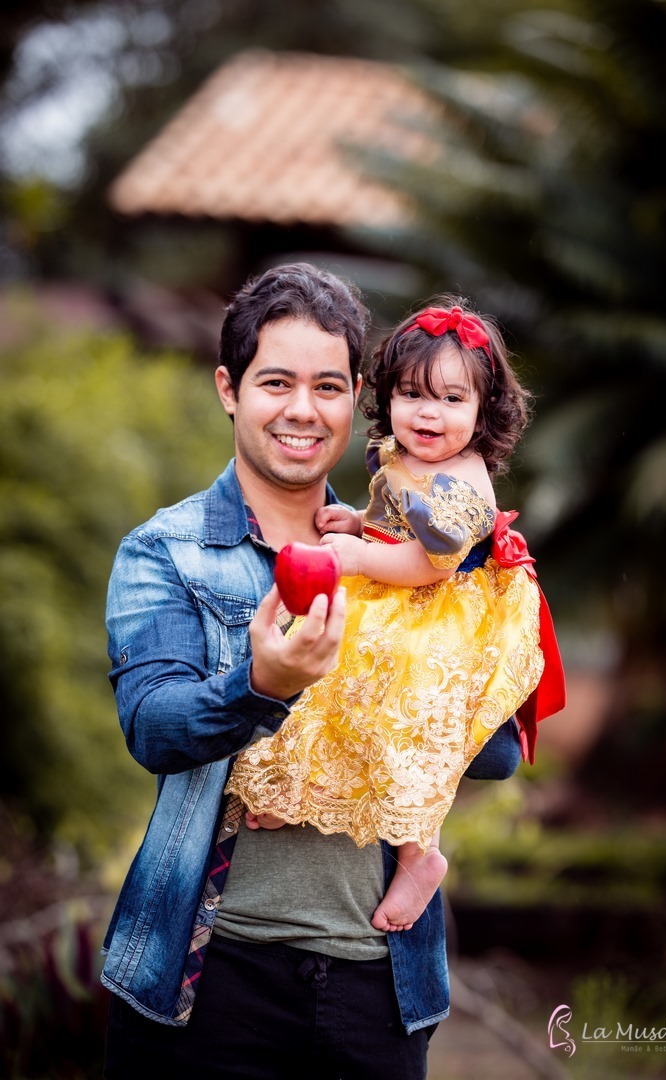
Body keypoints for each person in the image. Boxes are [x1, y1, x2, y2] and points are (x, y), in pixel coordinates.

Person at [101, 262, 526, 1080]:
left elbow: (499, 750)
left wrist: (475, 619)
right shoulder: (165, 552)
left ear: (357, 394)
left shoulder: (421, 542)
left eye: (328, 385)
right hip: (205, 980)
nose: (303, 409)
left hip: (378, 984)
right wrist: (263, 684)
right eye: (275, 382)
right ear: (229, 389)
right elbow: (154, 728)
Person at [226, 297, 566, 934]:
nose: (427, 413)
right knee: (329, 678)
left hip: (445, 611)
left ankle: (418, 854)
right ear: (384, 397)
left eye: (450, 399)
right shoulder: (406, 456)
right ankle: (293, 788)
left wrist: (357, 555)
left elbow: (436, 562)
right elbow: (396, 517)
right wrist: (359, 522)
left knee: (410, 709)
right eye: (411, 394)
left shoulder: (464, 477)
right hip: (400, 588)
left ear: (483, 412)